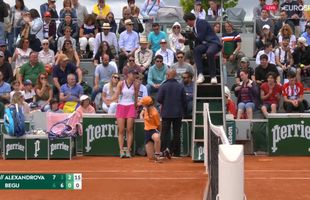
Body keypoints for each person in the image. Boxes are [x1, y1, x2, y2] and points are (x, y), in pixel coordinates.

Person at [183, 13, 222, 84]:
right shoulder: (195, 27)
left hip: (213, 43)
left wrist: (188, 38)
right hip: (205, 44)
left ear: (188, 20)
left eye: (186, 22)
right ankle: (200, 74)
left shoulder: (201, 22)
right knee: (196, 50)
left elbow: (200, 37)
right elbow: (198, 40)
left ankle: (213, 76)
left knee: (209, 52)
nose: (187, 24)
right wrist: (188, 41)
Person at [157, 68, 187, 157]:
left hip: (166, 113)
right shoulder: (180, 86)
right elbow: (184, 101)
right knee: (177, 133)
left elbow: (159, 99)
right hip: (178, 113)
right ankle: (176, 152)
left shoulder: (163, 86)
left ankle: (163, 151)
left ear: (168, 75)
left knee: (164, 133)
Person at [111, 68, 140, 158]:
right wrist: (109, 100)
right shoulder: (121, 83)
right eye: (133, 74)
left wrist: (136, 107)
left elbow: (135, 97)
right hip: (121, 106)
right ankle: (121, 150)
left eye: (135, 74)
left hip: (131, 106)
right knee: (121, 129)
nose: (134, 76)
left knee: (129, 129)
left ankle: (128, 150)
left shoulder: (136, 84)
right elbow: (116, 95)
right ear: (128, 74)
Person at [138, 96, 162, 163]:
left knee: (157, 138)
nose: (142, 104)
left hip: (153, 130)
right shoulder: (145, 108)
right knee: (151, 158)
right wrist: (141, 116)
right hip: (147, 132)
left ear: (146, 104)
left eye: (143, 103)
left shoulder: (155, 113)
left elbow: (159, 125)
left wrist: (159, 133)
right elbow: (141, 114)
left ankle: (158, 155)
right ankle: (164, 153)